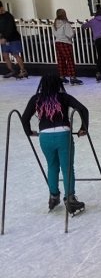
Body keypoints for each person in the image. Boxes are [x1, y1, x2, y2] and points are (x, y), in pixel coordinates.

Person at [21, 73, 89, 215]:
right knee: (67, 167)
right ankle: (70, 199)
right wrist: (84, 128)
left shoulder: (36, 98)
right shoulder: (64, 97)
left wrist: (29, 132)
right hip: (63, 135)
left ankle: (53, 196)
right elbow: (83, 109)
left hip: (45, 137)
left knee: (52, 166)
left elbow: (25, 117)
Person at [53, 8, 82, 85]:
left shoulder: (55, 23)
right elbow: (69, 34)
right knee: (69, 60)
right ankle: (72, 77)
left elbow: (55, 33)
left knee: (60, 60)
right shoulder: (65, 23)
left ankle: (62, 76)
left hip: (57, 42)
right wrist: (74, 31)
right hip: (65, 42)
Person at [0, 0, 27, 79]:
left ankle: (23, 71)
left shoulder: (8, 16)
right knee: (5, 55)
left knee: (15, 54)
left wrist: (5, 38)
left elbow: (10, 28)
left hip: (13, 39)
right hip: (4, 39)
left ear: (1, 8)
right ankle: (11, 70)